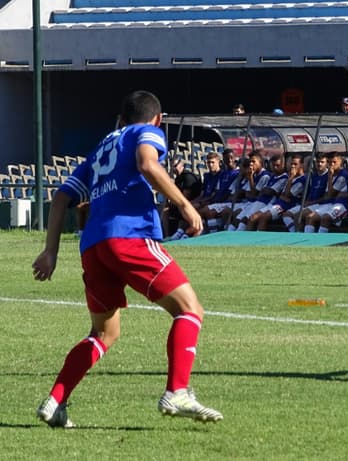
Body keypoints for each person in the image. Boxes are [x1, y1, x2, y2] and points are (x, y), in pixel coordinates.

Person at [31, 90, 223, 428]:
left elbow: (61, 197)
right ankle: (177, 390)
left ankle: (56, 400)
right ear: (158, 119)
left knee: (103, 333)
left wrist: (51, 251)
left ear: (119, 119)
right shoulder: (144, 132)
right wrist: (185, 204)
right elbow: (147, 163)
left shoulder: (102, 147)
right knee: (190, 309)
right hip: (129, 236)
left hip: (93, 246)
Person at [247, 153, 306, 231]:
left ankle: (258, 240)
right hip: (278, 203)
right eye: (291, 164)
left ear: (301, 165)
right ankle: (248, 240)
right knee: (252, 217)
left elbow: (287, 195)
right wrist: (283, 195)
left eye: (295, 164)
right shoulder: (290, 178)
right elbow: (282, 195)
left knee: (264, 217)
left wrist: (291, 178)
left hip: (286, 206)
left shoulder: (302, 179)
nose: (292, 166)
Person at [281, 153, 329, 232]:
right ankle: (296, 234)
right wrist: (307, 201)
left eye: (322, 162)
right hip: (310, 203)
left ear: (327, 164)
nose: (319, 164)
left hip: (320, 204)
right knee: (287, 215)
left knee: (298, 216)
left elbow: (327, 196)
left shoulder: (328, 176)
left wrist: (311, 202)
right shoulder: (313, 176)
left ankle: (303, 238)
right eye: (317, 162)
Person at [161, 157, 202, 237]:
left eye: (176, 165)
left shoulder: (188, 176)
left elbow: (185, 196)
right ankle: (167, 235)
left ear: (182, 165)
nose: (174, 168)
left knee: (181, 208)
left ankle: (183, 233)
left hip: (191, 202)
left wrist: (174, 201)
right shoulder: (178, 178)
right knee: (165, 210)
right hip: (182, 203)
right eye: (173, 166)